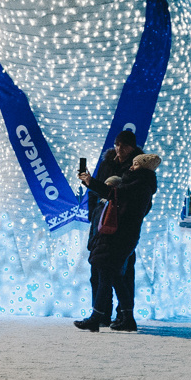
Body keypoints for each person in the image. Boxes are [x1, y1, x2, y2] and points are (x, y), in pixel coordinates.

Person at [77, 152, 161, 332]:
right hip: (121, 235)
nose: (132, 166)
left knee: (107, 275)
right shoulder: (138, 182)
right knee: (114, 277)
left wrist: (92, 182)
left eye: (136, 164)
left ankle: (97, 317)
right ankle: (127, 319)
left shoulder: (139, 184)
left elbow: (116, 193)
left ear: (143, 167)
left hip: (120, 236)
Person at [77, 129, 141, 323]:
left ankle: (123, 315)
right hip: (101, 223)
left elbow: (136, 200)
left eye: (123, 145)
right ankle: (103, 313)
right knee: (99, 270)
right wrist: (94, 213)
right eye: (116, 144)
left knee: (121, 273)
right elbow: (95, 193)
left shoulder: (137, 169)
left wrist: (127, 216)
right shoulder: (107, 164)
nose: (119, 148)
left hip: (122, 228)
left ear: (132, 147)